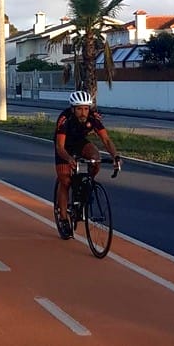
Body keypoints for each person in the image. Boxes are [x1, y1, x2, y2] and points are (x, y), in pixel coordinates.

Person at [54, 90, 122, 238]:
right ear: (73, 109)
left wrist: (115, 156)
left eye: (86, 108)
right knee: (65, 180)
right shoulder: (64, 119)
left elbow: (106, 140)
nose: (83, 113)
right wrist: (69, 158)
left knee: (95, 157)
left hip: (80, 143)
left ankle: (86, 185)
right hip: (64, 146)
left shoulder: (93, 118)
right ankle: (64, 218)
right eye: (79, 109)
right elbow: (60, 147)